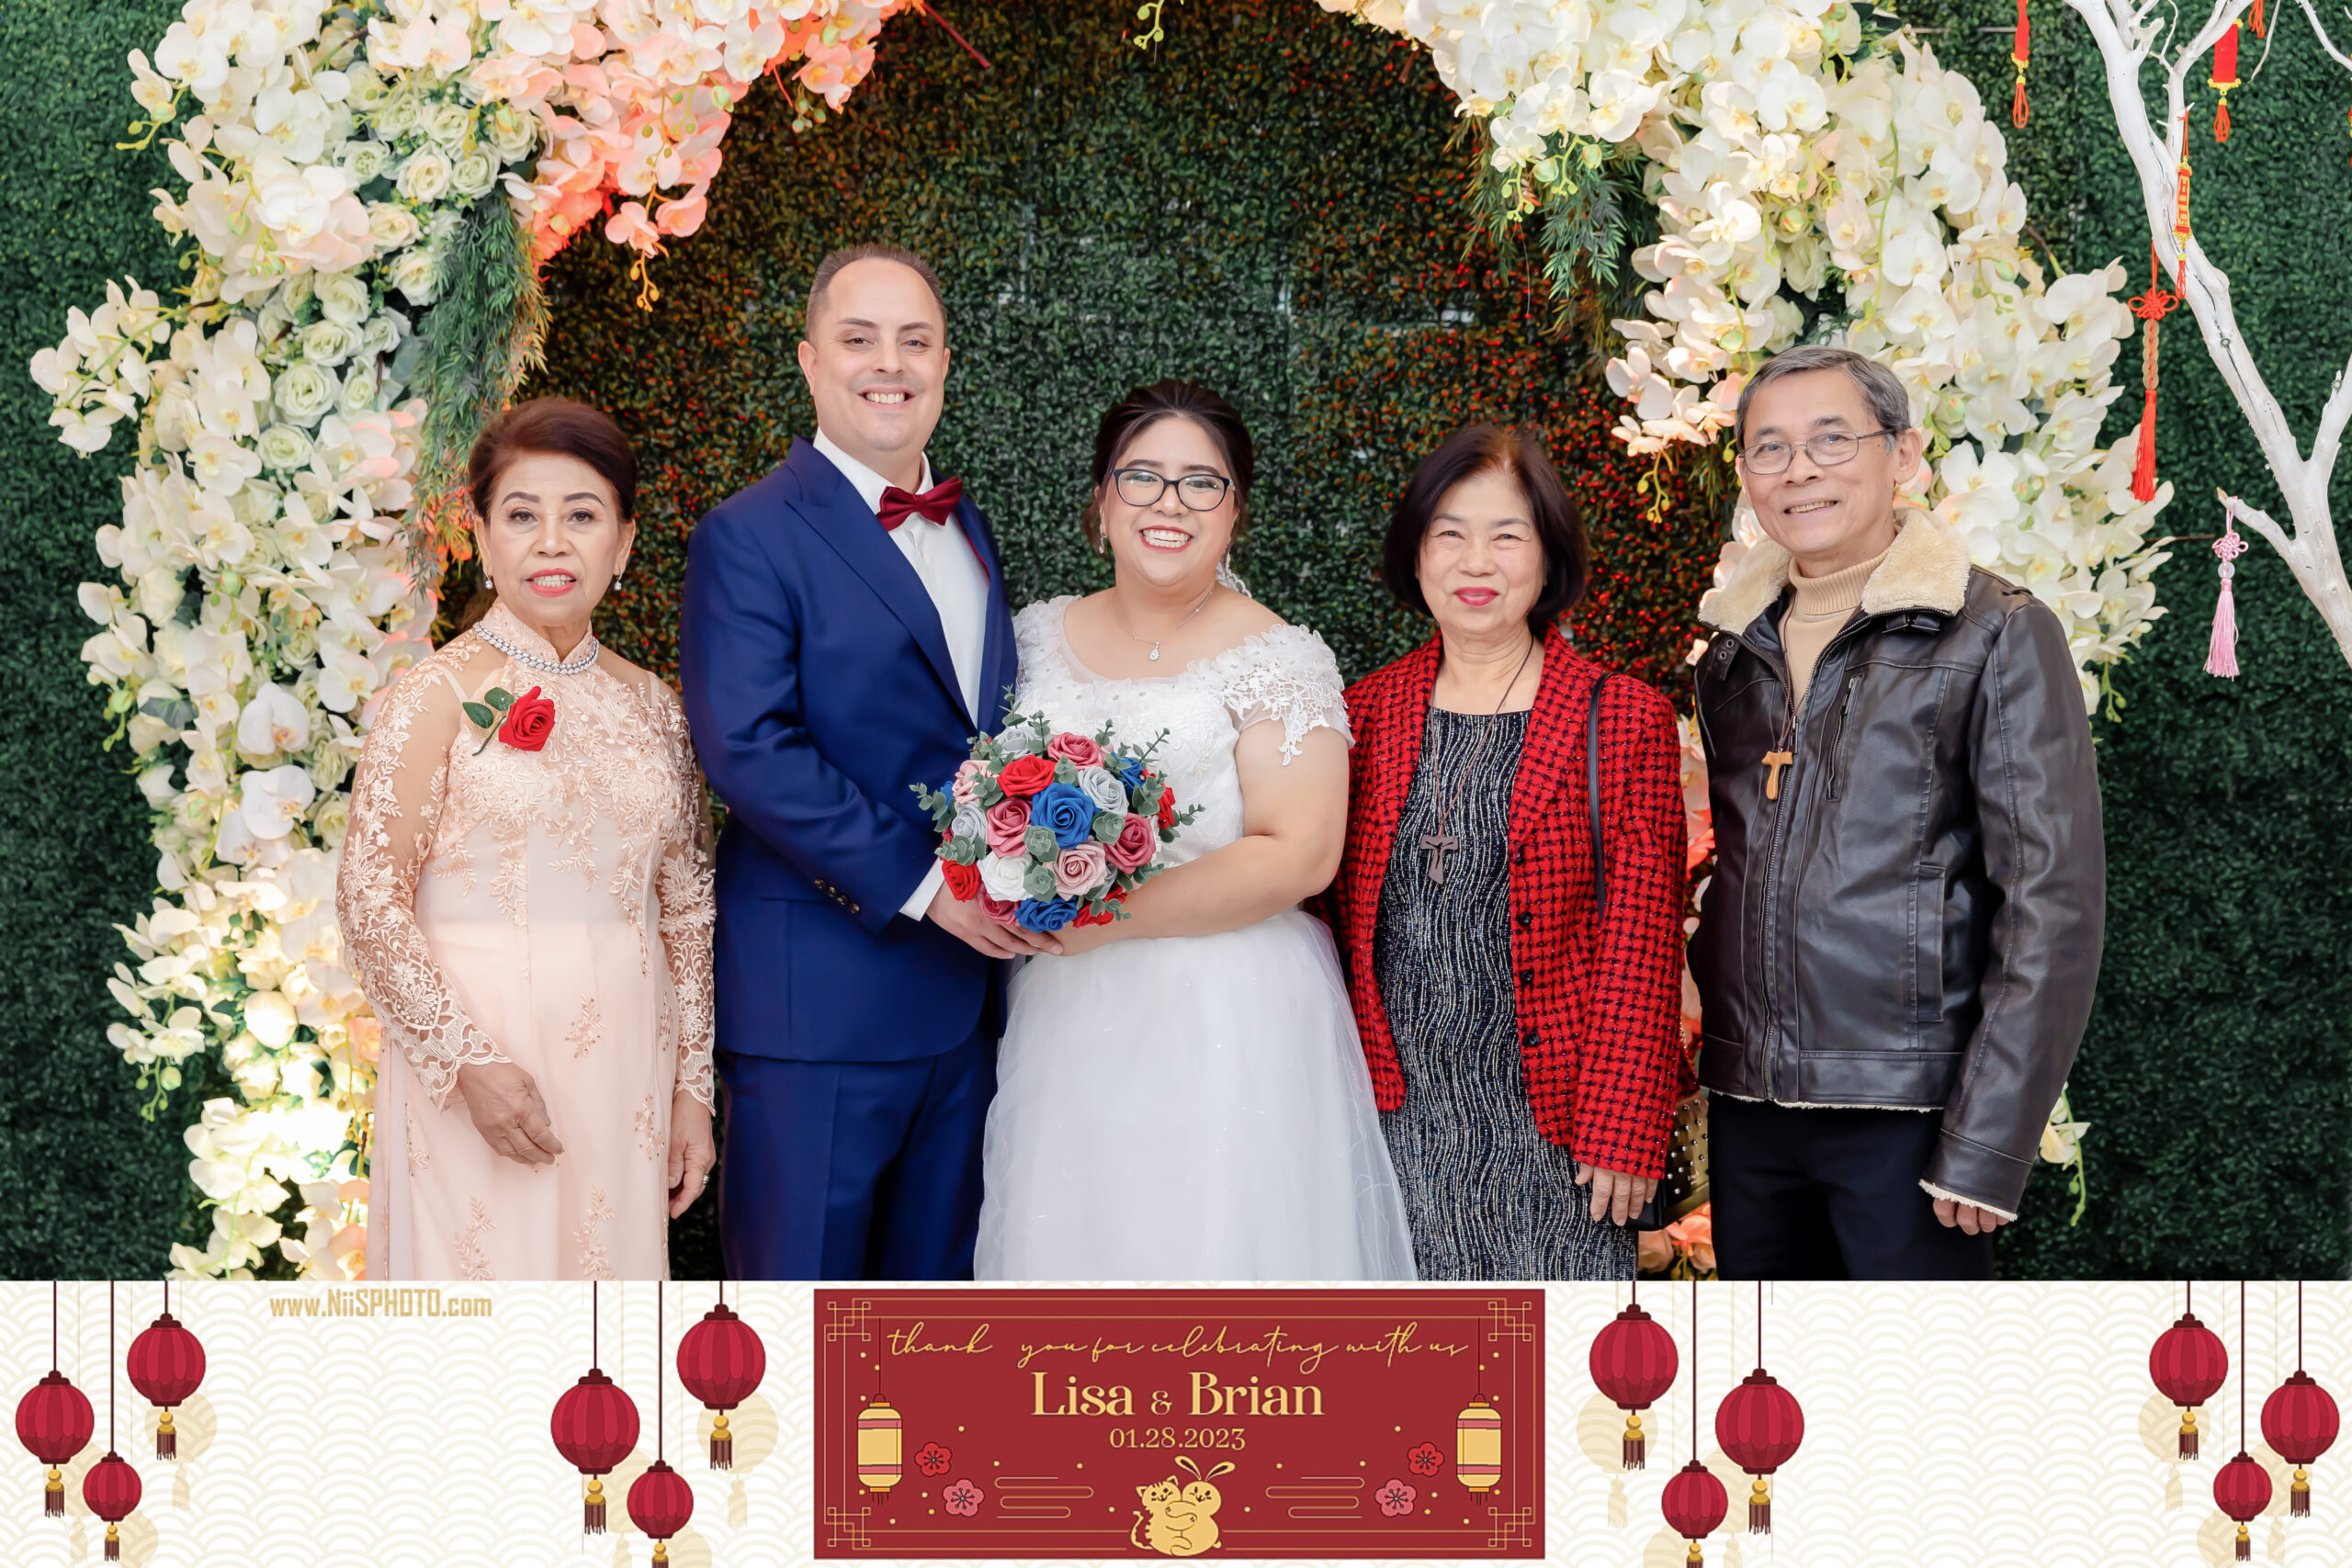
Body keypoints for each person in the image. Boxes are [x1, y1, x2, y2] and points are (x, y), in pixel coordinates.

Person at [973, 378, 1417, 1280]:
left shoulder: (1277, 656)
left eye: (1201, 483)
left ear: (1234, 512)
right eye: (1141, 477)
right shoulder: (1030, 637)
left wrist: (1100, 919)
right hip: (1063, 1007)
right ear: (1101, 502)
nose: (1168, 503)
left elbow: (1301, 853)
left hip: (1227, 1009)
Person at [1690, 344, 2105, 1280]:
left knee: (1914, 1370)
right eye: (1769, 448)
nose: (1799, 470)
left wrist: (1990, 1136)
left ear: (1904, 454)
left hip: (1909, 1112)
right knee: (1767, 1366)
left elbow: (2051, 903)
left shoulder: (1995, 631)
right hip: (1749, 1109)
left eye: (1831, 440)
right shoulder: (1731, 653)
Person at [680, 244, 1037, 1281]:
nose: (890, 363)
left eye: (914, 341)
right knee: (797, 1319)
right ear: (810, 361)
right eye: (859, 339)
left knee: (930, 1330)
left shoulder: (968, 527)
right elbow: (748, 748)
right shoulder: (746, 535)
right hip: (818, 1011)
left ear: (944, 364)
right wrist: (929, 887)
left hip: (966, 1006)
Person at [338, 398, 716, 1280]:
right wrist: (467, 1063)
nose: (552, 543)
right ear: (481, 535)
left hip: (624, 1075)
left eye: (581, 516)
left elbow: (687, 910)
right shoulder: (432, 696)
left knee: (603, 1331)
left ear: (623, 543)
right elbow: (369, 899)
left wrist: (693, 1090)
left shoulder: (655, 707)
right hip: (477, 1076)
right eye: (521, 516)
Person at [1317, 425, 1690, 1281]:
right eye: (1449, 533)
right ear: (1416, 554)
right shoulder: (1360, 715)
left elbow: (1641, 940)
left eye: (1507, 535)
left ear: (1548, 557)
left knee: (1558, 1350)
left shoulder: (1619, 716)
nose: (1475, 562)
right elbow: (1325, 919)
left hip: (1566, 1127)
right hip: (1396, 1118)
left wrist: (1625, 1127)